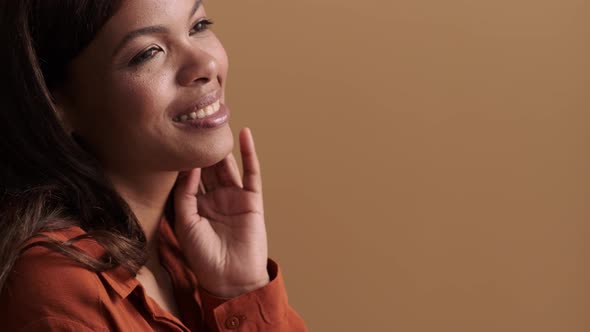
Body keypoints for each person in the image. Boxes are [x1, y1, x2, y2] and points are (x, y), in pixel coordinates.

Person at [0, 0, 307, 331]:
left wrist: (240, 289)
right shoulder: (56, 293)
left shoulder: (182, 244)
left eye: (198, 27)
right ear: (55, 102)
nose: (205, 64)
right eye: (148, 53)